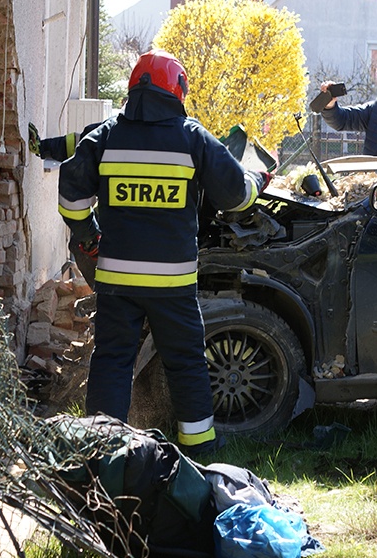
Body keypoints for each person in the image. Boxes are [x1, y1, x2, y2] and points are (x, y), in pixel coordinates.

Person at [58, 50, 269, 456]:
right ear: (177, 89)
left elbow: (70, 195)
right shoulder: (191, 137)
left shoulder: (106, 136)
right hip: (172, 282)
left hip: (117, 279)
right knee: (185, 361)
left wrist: (87, 232)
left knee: (112, 361)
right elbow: (236, 198)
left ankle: (104, 451)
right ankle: (200, 447)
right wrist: (257, 180)